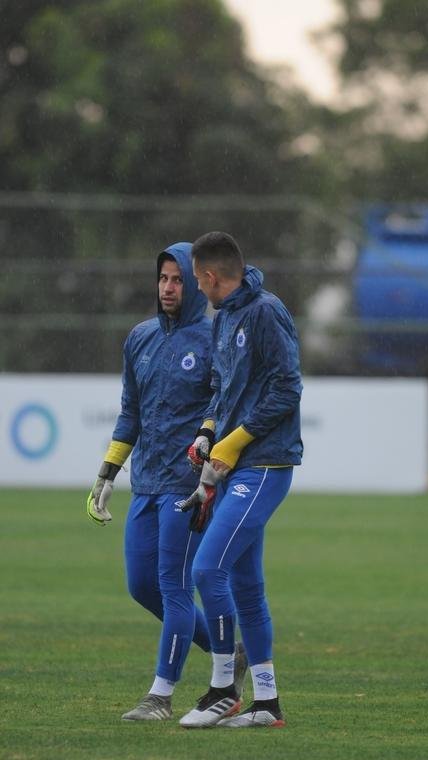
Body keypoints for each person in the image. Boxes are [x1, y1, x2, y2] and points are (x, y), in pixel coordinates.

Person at [86, 241, 247, 721]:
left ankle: (160, 695)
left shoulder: (213, 337)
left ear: (194, 284)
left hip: (188, 487)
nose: (169, 288)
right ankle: (232, 652)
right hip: (146, 484)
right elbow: (130, 412)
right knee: (142, 586)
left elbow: (223, 404)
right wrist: (107, 473)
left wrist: (208, 458)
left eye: (178, 279)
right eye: (163, 279)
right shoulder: (139, 337)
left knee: (175, 588)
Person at [178, 231, 303, 729]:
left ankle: (223, 688)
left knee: (208, 570)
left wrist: (234, 443)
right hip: (234, 465)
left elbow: (287, 389)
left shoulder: (267, 311)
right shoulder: (222, 317)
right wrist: (209, 432)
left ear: (210, 276)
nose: (195, 288)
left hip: (265, 464)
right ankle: (267, 704)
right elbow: (221, 389)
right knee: (248, 585)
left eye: (195, 279)